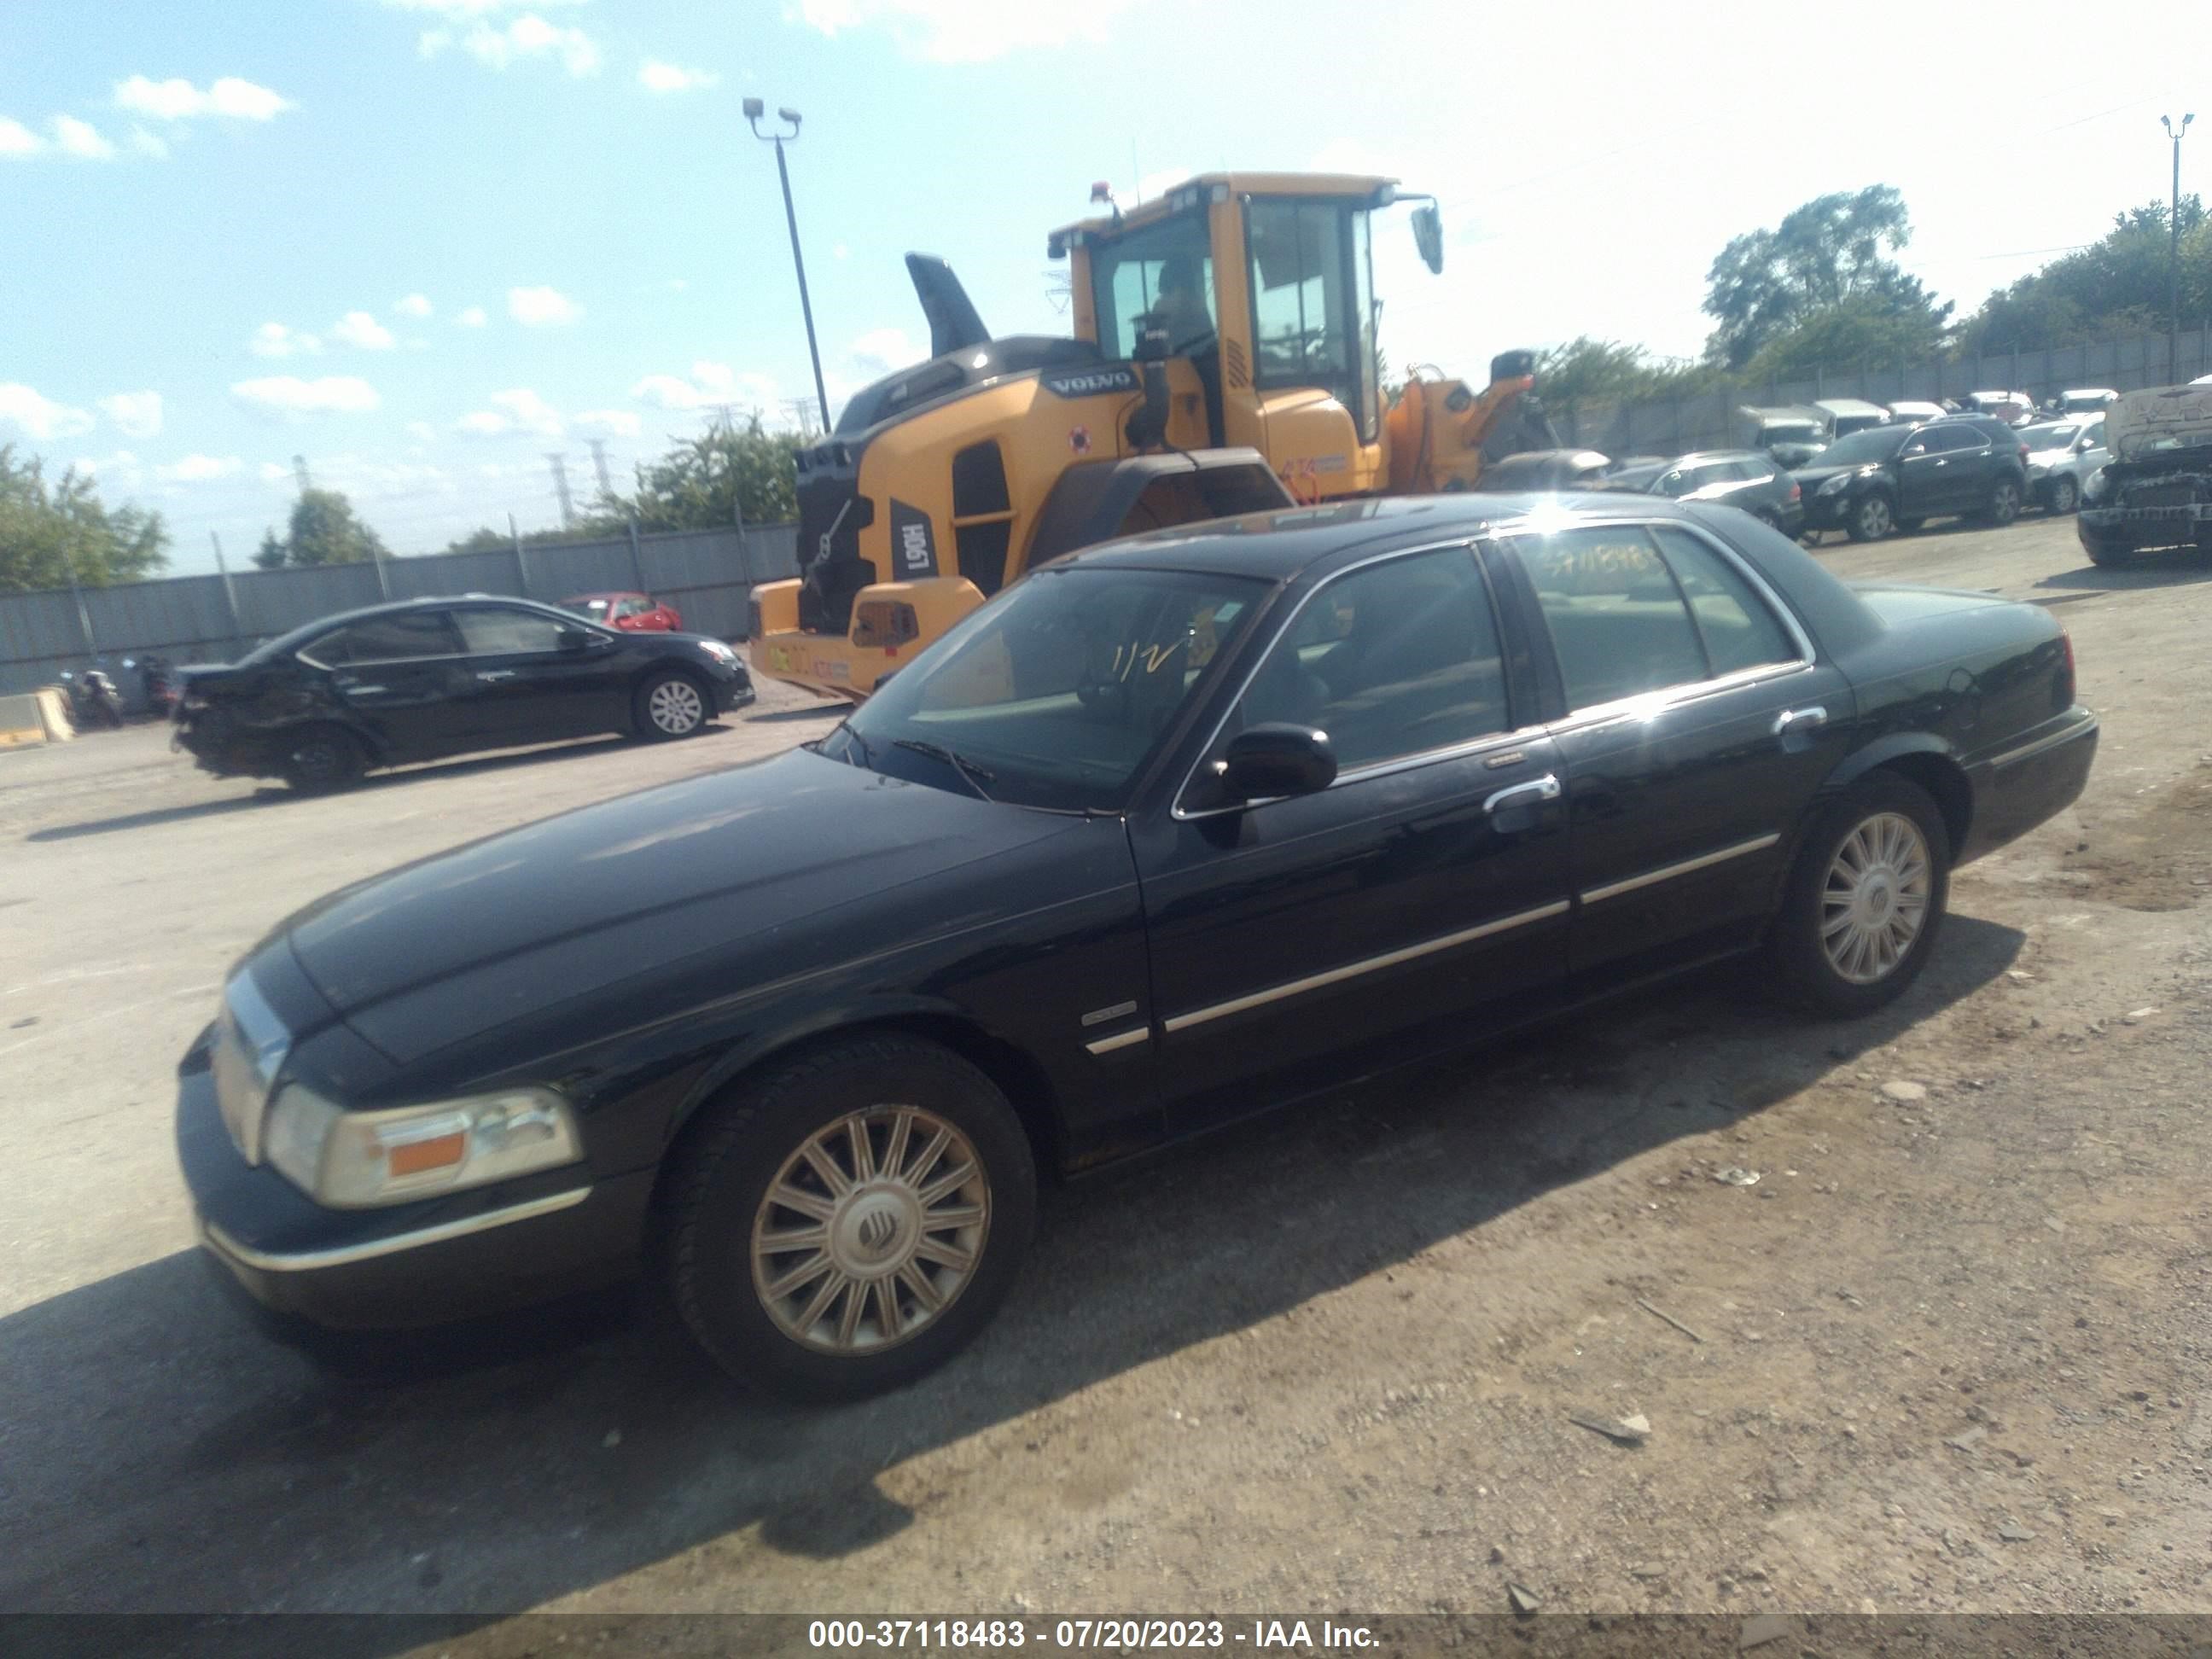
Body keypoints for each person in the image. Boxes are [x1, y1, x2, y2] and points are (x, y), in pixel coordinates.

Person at [1150, 255, 1214, 352]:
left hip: (1200, 359)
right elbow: (1155, 340)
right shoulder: (1198, 303)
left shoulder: (1160, 305)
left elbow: (1209, 339)